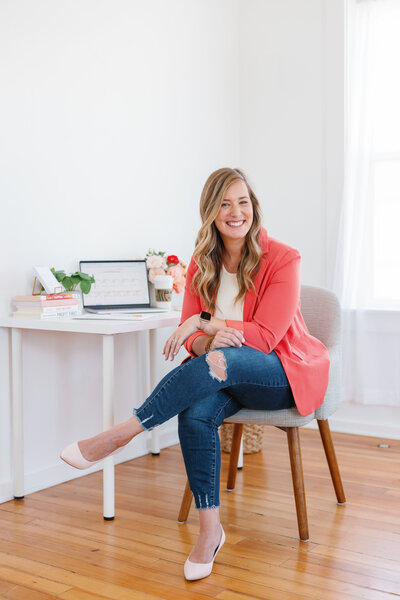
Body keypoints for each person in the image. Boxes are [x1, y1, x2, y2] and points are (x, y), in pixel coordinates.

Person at [61, 167, 330, 581]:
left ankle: (122, 433)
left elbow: (264, 336)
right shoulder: (203, 260)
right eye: (224, 204)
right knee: (196, 411)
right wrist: (203, 337)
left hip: (281, 373)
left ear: (253, 208)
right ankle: (210, 532)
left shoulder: (283, 257)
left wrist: (204, 326)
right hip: (225, 372)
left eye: (242, 202)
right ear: (211, 212)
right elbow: (192, 342)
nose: (235, 212)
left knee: (230, 358)